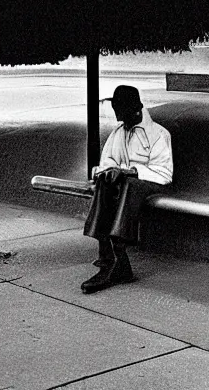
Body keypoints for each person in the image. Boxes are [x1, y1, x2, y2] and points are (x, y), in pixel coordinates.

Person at [80, 85, 173, 294]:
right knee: (104, 181)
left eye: (122, 114)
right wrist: (110, 171)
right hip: (127, 185)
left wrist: (129, 171)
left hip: (152, 184)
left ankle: (118, 257)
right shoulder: (119, 133)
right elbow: (108, 160)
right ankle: (109, 256)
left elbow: (164, 172)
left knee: (129, 184)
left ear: (136, 110)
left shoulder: (158, 134)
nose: (120, 121)